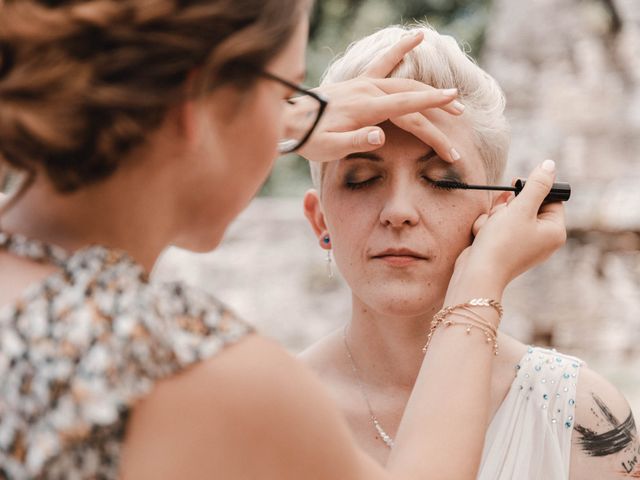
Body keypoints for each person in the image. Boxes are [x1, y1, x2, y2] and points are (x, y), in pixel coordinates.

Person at [0, 2, 566, 478]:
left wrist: (277, 117)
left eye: (439, 180)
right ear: (202, 104)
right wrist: (479, 286)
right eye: (286, 92)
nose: (293, 122)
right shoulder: (180, 364)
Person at [301, 24, 639, 480]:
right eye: (362, 178)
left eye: (442, 179)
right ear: (320, 219)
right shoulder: (255, 408)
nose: (398, 211)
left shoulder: (582, 415)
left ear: (500, 216)